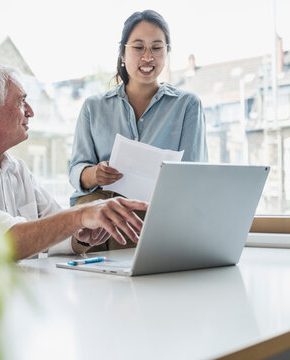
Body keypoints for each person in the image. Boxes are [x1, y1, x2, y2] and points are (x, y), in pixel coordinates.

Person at [0, 63, 148, 268]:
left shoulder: (17, 169)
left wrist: (81, 235)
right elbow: (3, 242)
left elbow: (56, 225)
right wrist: (82, 214)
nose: (31, 112)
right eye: (22, 101)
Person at [68, 10, 208, 251]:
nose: (148, 57)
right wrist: (95, 174)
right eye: (138, 47)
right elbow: (76, 171)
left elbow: (194, 177)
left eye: (156, 48)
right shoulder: (94, 106)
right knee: (98, 218)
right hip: (100, 213)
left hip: (158, 213)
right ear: (122, 53)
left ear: (166, 53)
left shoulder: (187, 105)